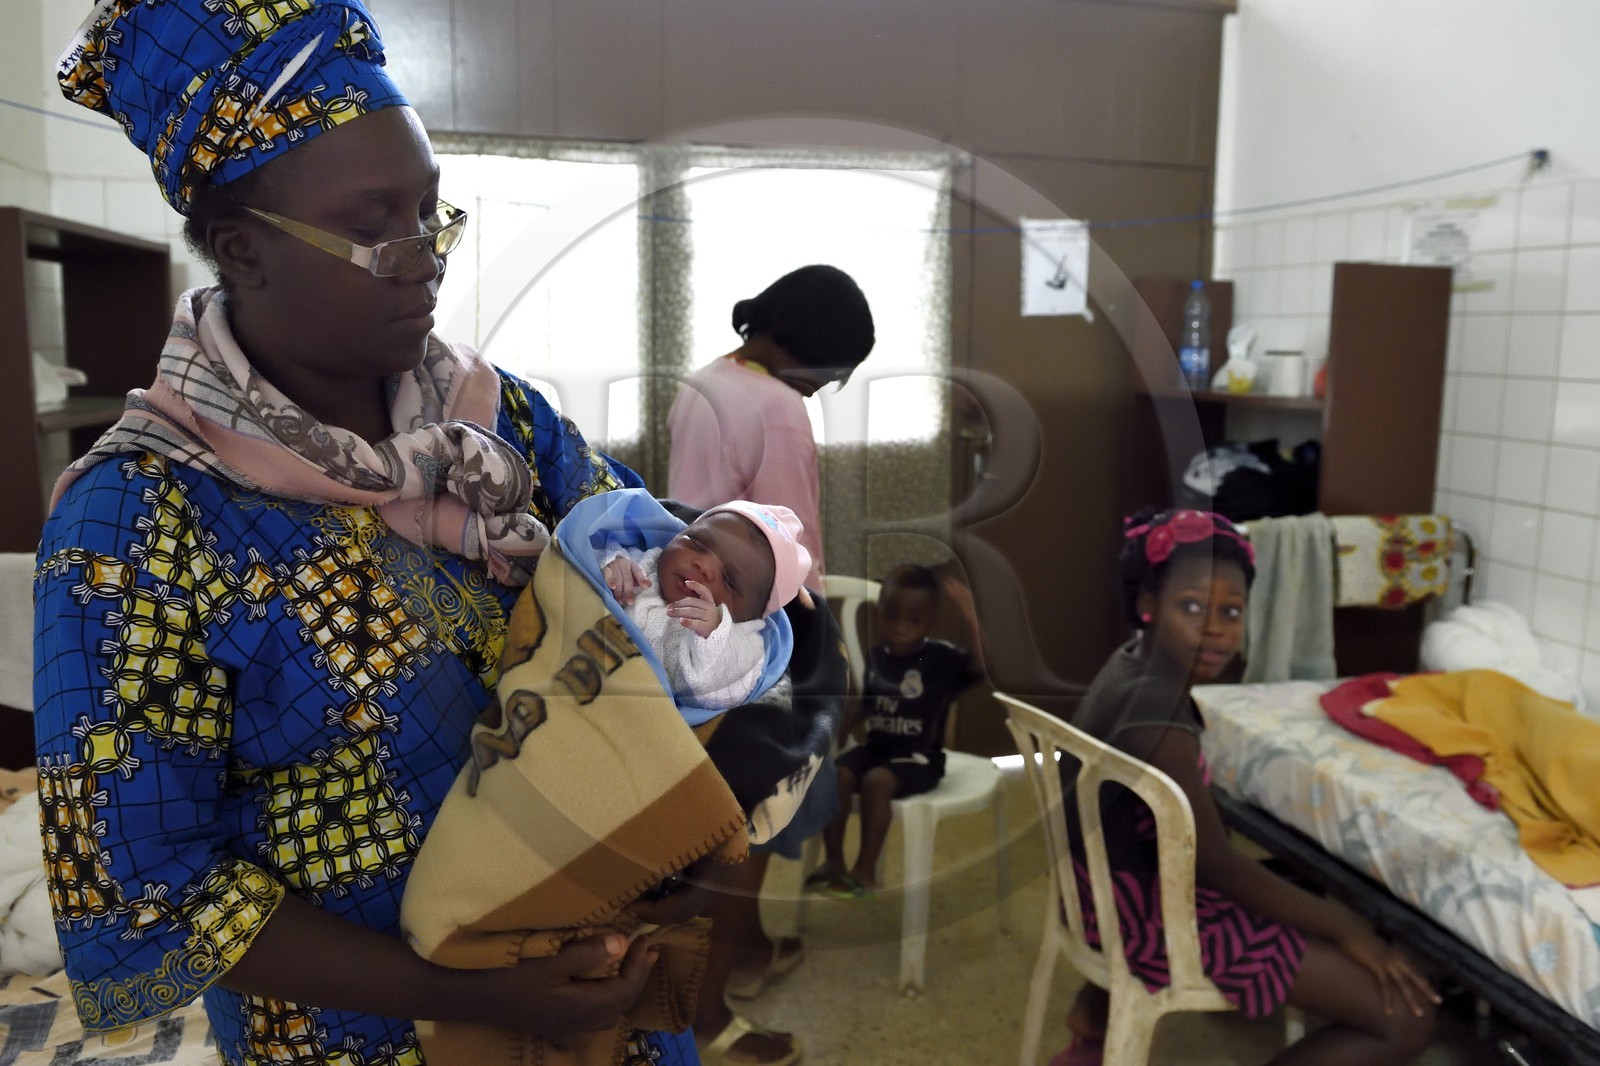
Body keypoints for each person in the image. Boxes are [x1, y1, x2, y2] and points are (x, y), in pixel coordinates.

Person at [34, 4, 705, 1064]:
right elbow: (144, 882)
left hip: (594, 988)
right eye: (375, 226)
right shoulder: (137, 518)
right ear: (242, 251)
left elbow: (659, 577)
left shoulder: (497, 420)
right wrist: (476, 990)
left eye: (433, 214)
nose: (423, 260)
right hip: (361, 1037)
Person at [1053, 508, 1440, 1066]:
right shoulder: (1158, 717)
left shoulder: (1129, 668)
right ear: (1147, 606)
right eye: (1191, 607)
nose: (1215, 629)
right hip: (1152, 918)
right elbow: (1215, 864)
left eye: (1230, 612)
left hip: (1103, 890)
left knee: (1308, 909)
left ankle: (1096, 1020)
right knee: (1407, 1021)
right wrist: (1349, 927)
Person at [667, 265, 874, 1065]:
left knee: (729, 812)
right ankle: (710, 1018)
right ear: (818, 353)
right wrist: (832, 656)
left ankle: (749, 957)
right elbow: (792, 549)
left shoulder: (707, 383)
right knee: (746, 833)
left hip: (698, 617)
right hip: (765, 636)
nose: (827, 390)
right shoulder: (780, 408)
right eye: (836, 372)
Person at [811, 564, 984, 897]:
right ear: (879, 616)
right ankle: (834, 862)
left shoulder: (940, 658)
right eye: (893, 617)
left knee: (877, 780)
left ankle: (866, 870)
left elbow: (978, 666)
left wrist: (970, 618)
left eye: (913, 621)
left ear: (931, 623)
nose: (901, 627)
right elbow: (869, 703)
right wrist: (847, 726)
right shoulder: (878, 657)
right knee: (837, 775)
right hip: (878, 749)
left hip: (919, 757)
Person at [603, 499, 813, 711]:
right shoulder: (645, 564)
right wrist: (612, 567)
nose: (704, 567)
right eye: (696, 543)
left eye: (729, 580)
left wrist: (713, 635)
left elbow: (713, 696)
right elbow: (578, 562)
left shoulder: (742, 643)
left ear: (753, 616)